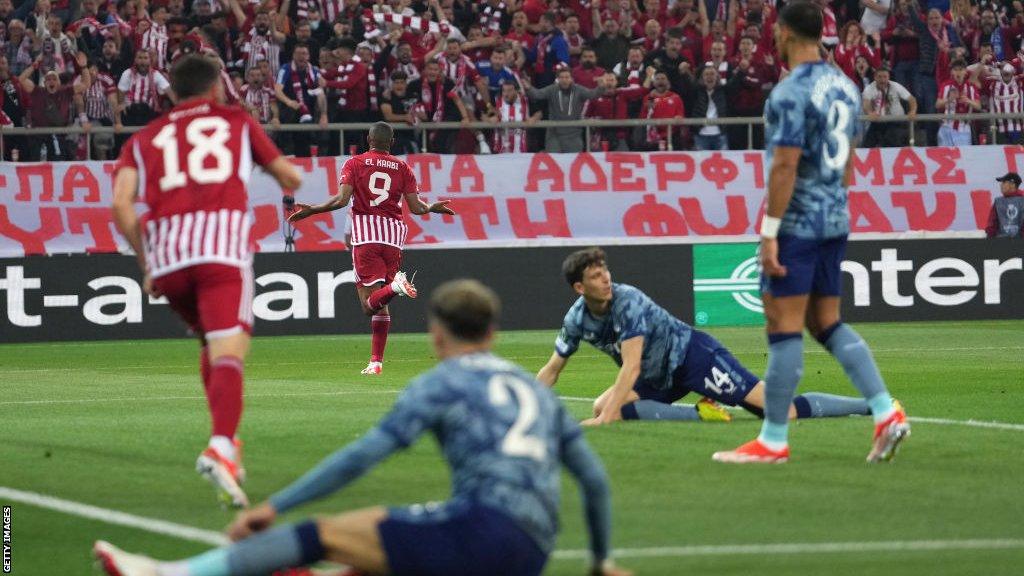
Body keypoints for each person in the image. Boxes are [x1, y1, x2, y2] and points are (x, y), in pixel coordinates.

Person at [94, 280, 632, 576]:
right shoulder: (535, 390)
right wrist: (601, 560)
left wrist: (275, 506)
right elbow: (595, 481)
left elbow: (364, 456)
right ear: (492, 333)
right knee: (370, 556)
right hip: (532, 549)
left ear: (436, 334)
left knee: (319, 535)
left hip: (481, 532)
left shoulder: (438, 384)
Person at [712, 2, 909, 465]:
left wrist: (769, 233)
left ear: (783, 33)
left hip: (798, 224)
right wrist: (833, 204)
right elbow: (849, 158)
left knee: (783, 328)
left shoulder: (788, 92)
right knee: (826, 323)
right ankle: (885, 411)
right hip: (834, 219)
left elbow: (785, 164)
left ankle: (773, 441)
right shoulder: (844, 85)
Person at [110, 55, 302, 506]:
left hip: (169, 259)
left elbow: (121, 205)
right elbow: (290, 176)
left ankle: (227, 448)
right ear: (216, 88)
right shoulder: (235, 121)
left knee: (207, 344)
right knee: (230, 349)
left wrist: (147, 264)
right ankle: (221, 446)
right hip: (221, 252)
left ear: (170, 93)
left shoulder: (143, 138)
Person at [536, 248, 875, 425]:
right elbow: (552, 369)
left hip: (692, 357)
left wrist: (606, 420)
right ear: (580, 287)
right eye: (596, 276)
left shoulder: (628, 301)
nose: (606, 279)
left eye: (605, 271)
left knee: (778, 411)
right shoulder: (576, 319)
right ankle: (701, 413)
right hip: (660, 375)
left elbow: (632, 366)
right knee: (602, 405)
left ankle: (872, 405)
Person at [288, 122, 456, 375]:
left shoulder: (355, 163)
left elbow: (342, 199)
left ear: (368, 139)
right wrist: (433, 207)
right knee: (382, 303)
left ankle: (396, 287)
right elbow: (418, 208)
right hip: (394, 237)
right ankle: (376, 362)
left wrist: (314, 210)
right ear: (392, 142)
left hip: (367, 234)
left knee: (369, 305)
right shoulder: (403, 167)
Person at [523, 67, 606, 152]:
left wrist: (601, 87)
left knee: (573, 163)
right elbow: (538, 94)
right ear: (558, 79)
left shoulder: (578, 89)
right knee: (554, 162)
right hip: (554, 136)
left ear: (571, 78)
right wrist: (528, 88)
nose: (564, 80)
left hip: (574, 135)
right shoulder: (552, 89)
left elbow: (592, 95)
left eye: (567, 77)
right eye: (561, 77)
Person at [862, 65, 917, 148]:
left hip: (896, 122)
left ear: (888, 77)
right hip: (878, 122)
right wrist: (870, 113)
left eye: (885, 77)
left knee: (891, 141)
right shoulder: (869, 89)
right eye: (879, 77)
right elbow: (866, 103)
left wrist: (913, 111)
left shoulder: (896, 86)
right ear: (875, 77)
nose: (882, 80)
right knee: (866, 146)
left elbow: (911, 99)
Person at [985, 172, 1024, 238]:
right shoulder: (998, 202)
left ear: (1012, 184)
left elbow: (992, 225)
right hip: (1001, 244)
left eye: (1003, 182)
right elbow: (992, 226)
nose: (1001, 185)